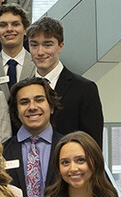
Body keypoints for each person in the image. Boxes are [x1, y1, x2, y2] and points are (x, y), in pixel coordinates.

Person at [28, 17, 104, 145]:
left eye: (47, 45)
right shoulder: (22, 89)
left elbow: (93, 144)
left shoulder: (84, 89)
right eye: (34, 45)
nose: (40, 52)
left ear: (60, 46)